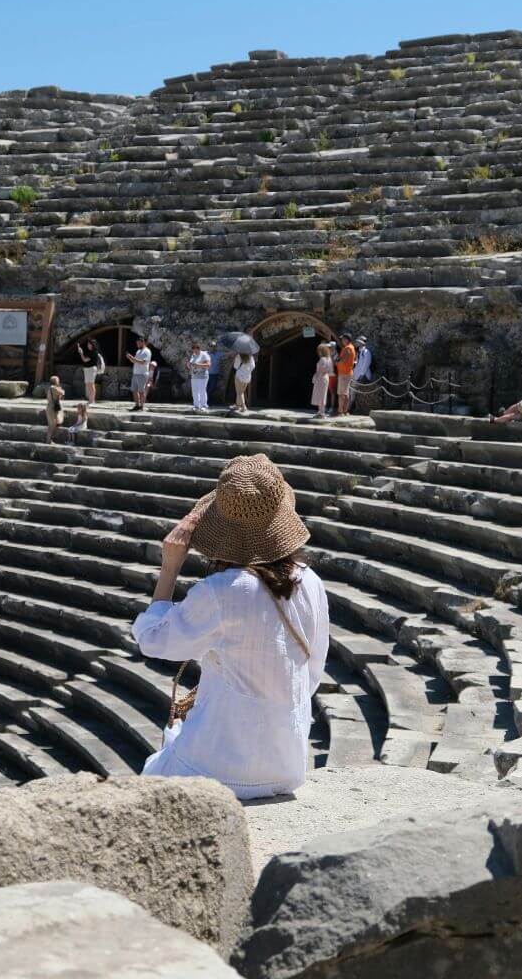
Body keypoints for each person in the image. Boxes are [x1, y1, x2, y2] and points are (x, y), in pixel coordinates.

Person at [131, 453, 329, 800]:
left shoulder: (222, 592)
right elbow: (312, 673)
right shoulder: (310, 582)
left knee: (153, 775)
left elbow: (153, 640)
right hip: (286, 764)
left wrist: (169, 568)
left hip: (219, 767)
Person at [126, 337, 151, 412]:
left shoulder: (147, 351)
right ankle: (137, 405)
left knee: (141, 391)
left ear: (143, 342)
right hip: (135, 373)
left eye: (139, 343)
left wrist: (133, 359)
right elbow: (134, 361)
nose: (137, 345)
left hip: (142, 374)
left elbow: (143, 362)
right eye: (137, 343)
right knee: (134, 390)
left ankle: (142, 406)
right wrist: (130, 358)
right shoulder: (138, 351)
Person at [335, 333, 357, 417]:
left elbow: (344, 359)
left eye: (343, 339)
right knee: (346, 393)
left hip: (343, 373)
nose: (342, 341)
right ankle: (345, 411)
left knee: (341, 393)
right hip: (348, 372)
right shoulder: (352, 347)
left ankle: (340, 412)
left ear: (347, 339)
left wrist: (337, 362)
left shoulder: (347, 348)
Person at [350, 335, 373, 411]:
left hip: (362, 376)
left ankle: (358, 408)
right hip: (355, 375)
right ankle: (351, 407)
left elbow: (366, 364)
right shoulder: (358, 352)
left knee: (361, 393)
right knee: (352, 392)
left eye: (359, 342)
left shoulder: (366, 352)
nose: (357, 343)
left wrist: (362, 375)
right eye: (357, 342)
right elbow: (357, 364)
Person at [187, 340, 211, 412]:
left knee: (202, 390)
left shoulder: (204, 355)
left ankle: (204, 405)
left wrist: (198, 365)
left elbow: (208, 365)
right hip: (194, 375)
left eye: (195, 348)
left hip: (202, 376)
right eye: (193, 348)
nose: (193, 350)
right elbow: (191, 364)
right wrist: (189, 365)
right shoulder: (193, 355)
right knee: (194, 391)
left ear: (198, 348)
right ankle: (196, 405)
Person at [311, 344, 334, 419]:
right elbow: (330, 370)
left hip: (320, 378)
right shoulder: (329, 359)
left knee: (320, 395)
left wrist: (315, 377)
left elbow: (320, 370)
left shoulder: (322, 359)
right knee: (322, 395)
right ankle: (320, 411)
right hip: (325, 377)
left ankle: (321, 412)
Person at [77, 338, 99, 406]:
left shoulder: (94, 352)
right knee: (88, 385)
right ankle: (90, 400)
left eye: (89, 344)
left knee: (91, 385)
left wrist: (81, 353)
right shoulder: (90, 352)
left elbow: (84, 359)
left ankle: (92, 401)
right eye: (88, 344)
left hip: (91, 369)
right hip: (87, 369)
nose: (88, 345)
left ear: (92, 345)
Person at [46, 375, 65, 442]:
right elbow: (62, 392)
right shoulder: (53, 387)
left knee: (55, 423)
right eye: (57, 380)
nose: (59, 381)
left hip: (53, 407)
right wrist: (61, 390)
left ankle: (51, 439)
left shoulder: (53, 388)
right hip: (52, 407)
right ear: (55, 381)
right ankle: (48, 440)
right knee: (51, 425)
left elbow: (59, 396)